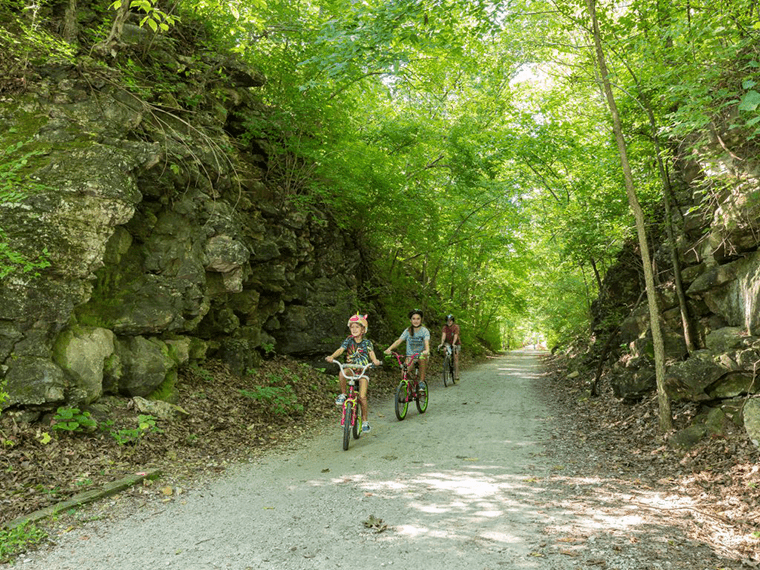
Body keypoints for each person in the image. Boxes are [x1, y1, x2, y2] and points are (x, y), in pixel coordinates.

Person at [326, 313, 381, 433]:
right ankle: (343, 394)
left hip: (363, 372)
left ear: (363, 329)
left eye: (357, 327)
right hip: (351, 369)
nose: (354, 329)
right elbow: (341, 350)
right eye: (352, 327)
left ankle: (365, 421)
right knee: (342, 372)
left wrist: (375, 361)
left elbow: (371, 353)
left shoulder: (367, 343)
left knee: (362, 397)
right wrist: (332, 356)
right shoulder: (348, 340)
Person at [384, 309, 431, 390]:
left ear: (421, 320)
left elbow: (427, 345)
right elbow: (399, 341)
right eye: (413, 319)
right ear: (410, 320)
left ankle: (421, 382)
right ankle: (411, 384)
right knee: (404, 374)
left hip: (421, 355)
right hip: (410, 356)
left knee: (421, 358)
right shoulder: (408, 330)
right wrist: (389, 349)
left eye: (418, 318)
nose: (416, 321)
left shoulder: (424, 331)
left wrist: (426, 351)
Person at [438, 314, 461, 381]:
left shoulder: (456, 327)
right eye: (448, 320)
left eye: (450, 320)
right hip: (448, 343)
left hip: (456, 343)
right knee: (445, 350)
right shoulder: (445, 327)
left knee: (455, 357)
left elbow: (456, 336)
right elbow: (443, 335)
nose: (449, 322)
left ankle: (456, 374)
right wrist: (442, 343)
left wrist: (453, 343)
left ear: (452, 321)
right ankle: (447, 363)